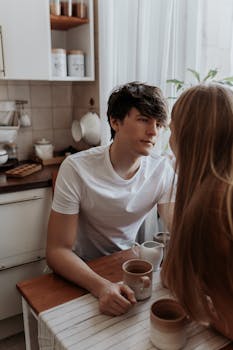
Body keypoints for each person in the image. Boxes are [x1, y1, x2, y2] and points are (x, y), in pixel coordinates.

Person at [46, 82, 175, 316]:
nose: (154, 132)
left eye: (158, 124)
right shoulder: (76, 168)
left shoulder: (162, 170)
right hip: (79, 268)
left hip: (125, 262)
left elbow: (179, 226)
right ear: (115, 122)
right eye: (144, 119)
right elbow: (57, 251)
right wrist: (102, 287)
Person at [161, 83, 233, 339]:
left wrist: (213, 316)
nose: (167, 139)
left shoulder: (212, 207)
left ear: (189, 136)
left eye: (171, 129)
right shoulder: (221, 188)